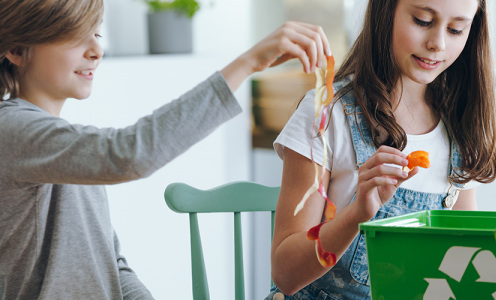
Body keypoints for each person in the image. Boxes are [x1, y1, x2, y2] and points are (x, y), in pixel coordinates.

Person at [0, 0, 331, 298]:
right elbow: (128, 154)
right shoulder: (10, 132)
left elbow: (109, 262)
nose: (95, 51)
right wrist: (247, 63)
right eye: (74, 36)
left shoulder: (63, 144)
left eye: (97, 35)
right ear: (16, 49)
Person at [267, 0, 496, 298]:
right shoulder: (327, 114)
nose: (437, 43)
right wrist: (355, 215)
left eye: (456, 29)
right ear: (385, 11)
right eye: (422, 21)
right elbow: (286, 274)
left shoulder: (460, 128)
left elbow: (463, 260)